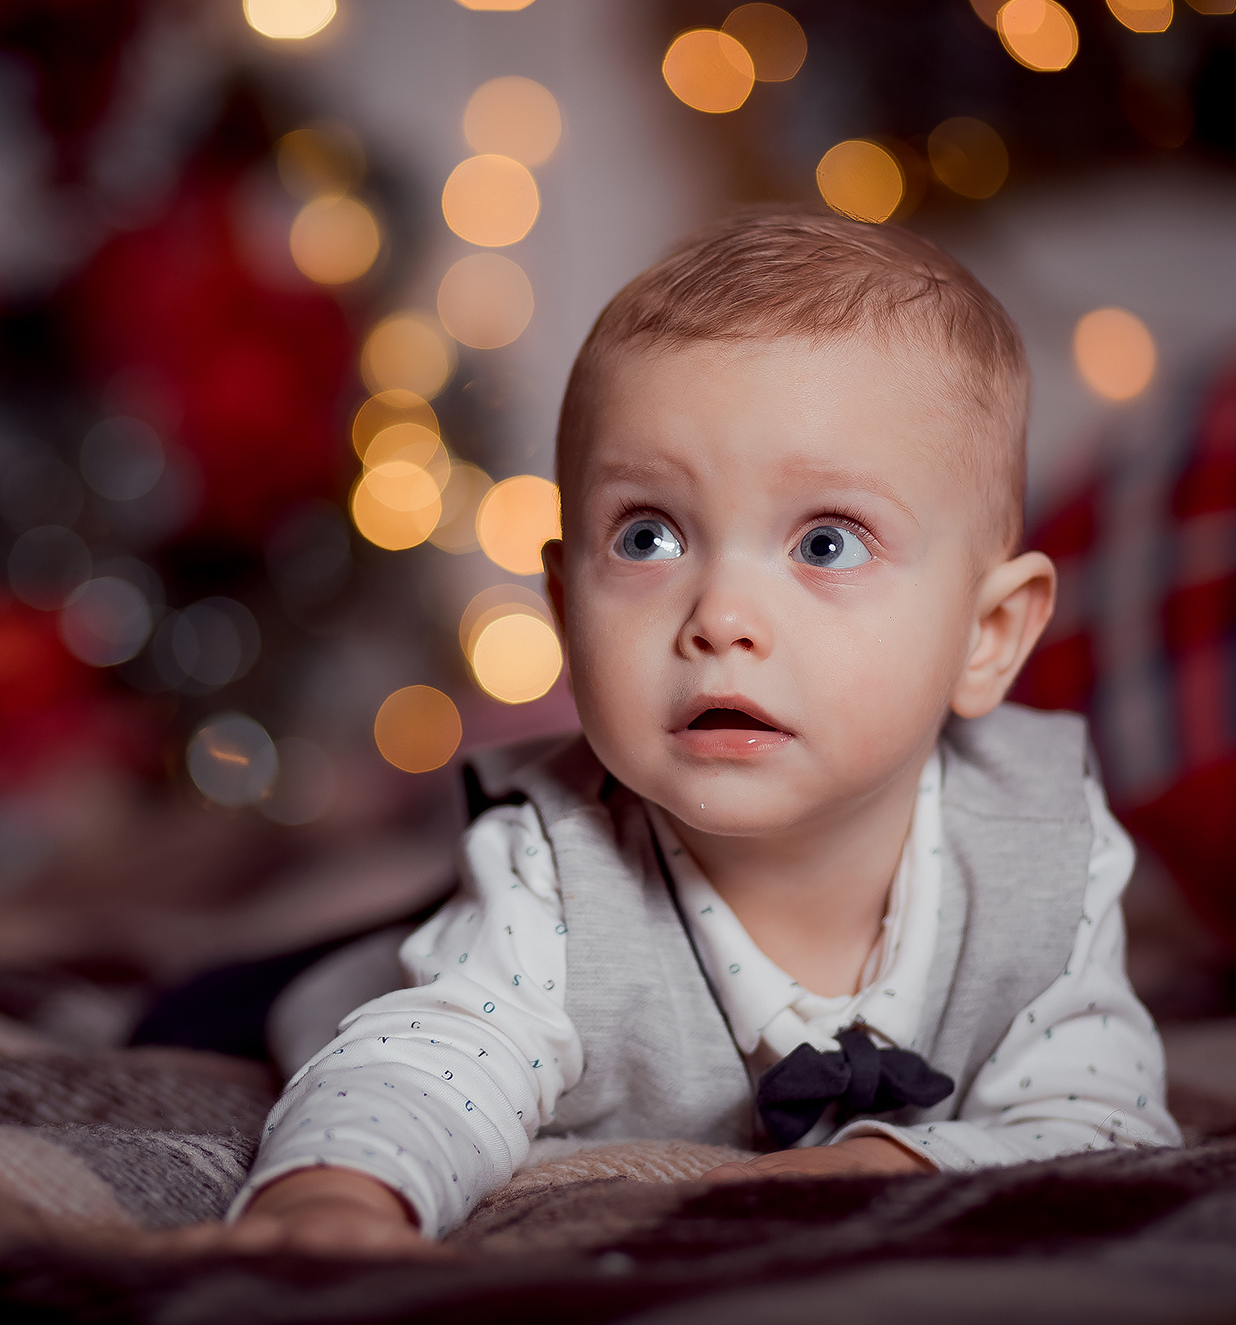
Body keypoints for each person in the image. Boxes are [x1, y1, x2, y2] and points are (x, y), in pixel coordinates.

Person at [203, 207, 1182, 1257]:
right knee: (285, 1000)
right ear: (563, 604)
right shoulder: (553, 874)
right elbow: (425, 1066)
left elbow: (1104, 1118)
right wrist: (334, 1198)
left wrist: (889, 1162)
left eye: (823, 540)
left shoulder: (1039, 854)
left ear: (984, 636)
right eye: (647, 534)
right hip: (403, 966)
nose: (720, 615)